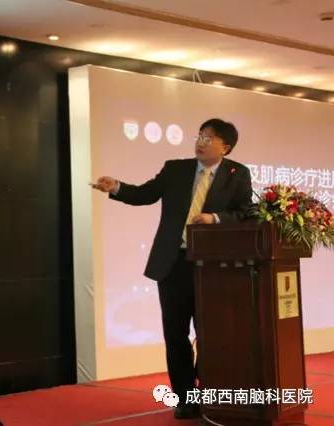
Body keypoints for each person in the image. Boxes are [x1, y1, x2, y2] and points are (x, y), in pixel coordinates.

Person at [92, 118, 253, 419]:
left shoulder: (237, 174)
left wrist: (215, 218)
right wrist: (117, 187)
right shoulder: (176, 169)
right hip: (173, 263)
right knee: (175, 333)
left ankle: (207, 389)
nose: (201, 142)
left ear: (226, 147)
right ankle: (185, 397)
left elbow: (246, 212)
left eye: (209, 138)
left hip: (212, 266)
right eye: (200, 136)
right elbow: (145, 194)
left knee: (211, 334)